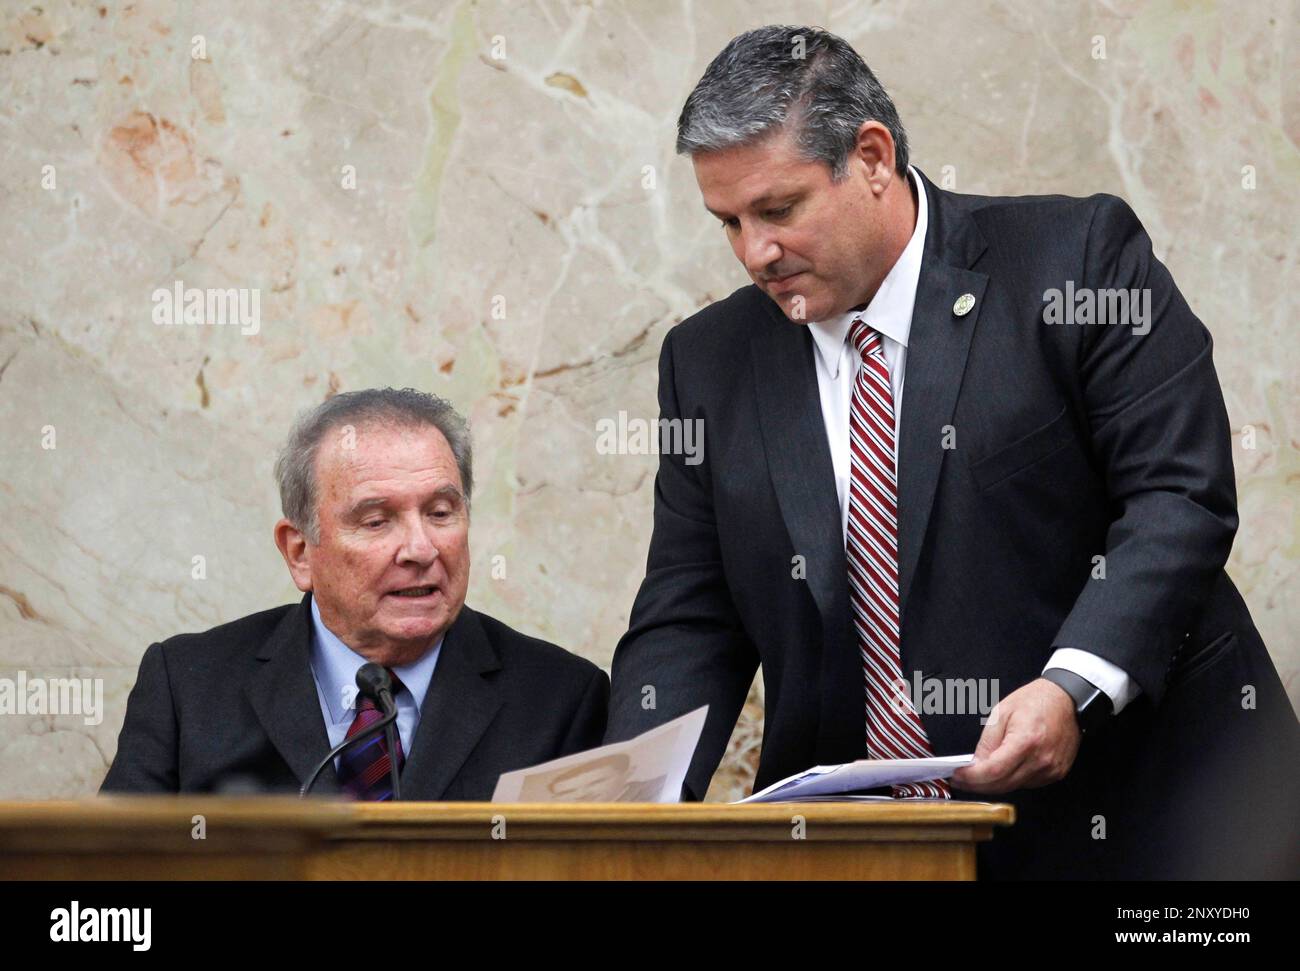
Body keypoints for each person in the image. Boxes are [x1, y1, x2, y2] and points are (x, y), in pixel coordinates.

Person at [605, 25, 1299, 878]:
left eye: (778, 210)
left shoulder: (1075, 261)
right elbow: (690, 612)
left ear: (870, 157)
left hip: (1160, 822)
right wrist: (624, 810)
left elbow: (1176, 499)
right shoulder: (707, 361)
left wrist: (1070, 686)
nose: (756, 253)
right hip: (880, 850)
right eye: (729, 223)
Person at [102, 388, 608, 800]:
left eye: (440, 513)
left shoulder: (563, 700)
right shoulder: (188, 688)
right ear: (299, 552)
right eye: (376, 520)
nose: (419, 548)